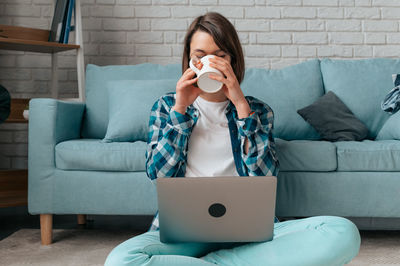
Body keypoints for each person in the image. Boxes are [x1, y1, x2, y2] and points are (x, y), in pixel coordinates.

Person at [105, 12, 361, 266]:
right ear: (189, 61)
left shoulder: (258, 111)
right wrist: (180, 110)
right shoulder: (166, 107)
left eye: (220, 56)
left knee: (342, 231)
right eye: (200, 56)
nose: (210, 62)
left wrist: (241, 106)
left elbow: (265, 178)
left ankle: (216, 262)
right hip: (184, 234)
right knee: (121, 260)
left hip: (248, 233)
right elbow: (158, 176)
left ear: (233, 60)